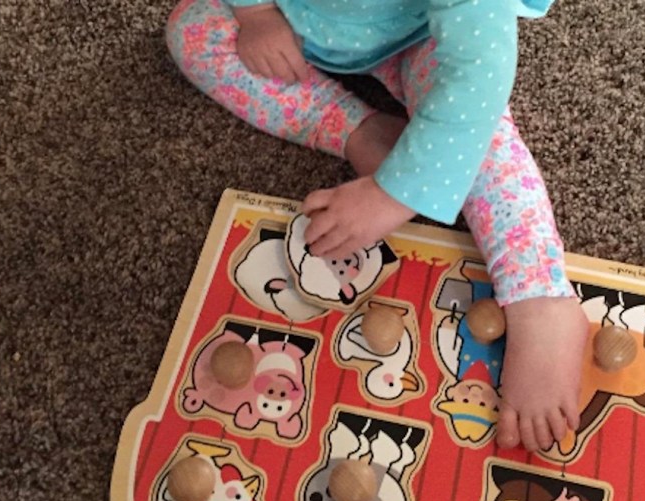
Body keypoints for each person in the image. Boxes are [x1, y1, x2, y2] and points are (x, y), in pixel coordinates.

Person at [166, 0, 588, 453]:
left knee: (481, 133)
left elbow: (477, 73)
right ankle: (357, 128)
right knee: (192, 33)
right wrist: (257, 14)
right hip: (298, 17)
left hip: (425, 34)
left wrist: (397, 193)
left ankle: (538, 295)